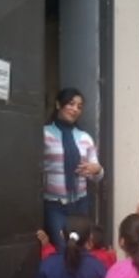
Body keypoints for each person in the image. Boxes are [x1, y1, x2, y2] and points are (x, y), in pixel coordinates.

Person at [43, 87, 104, 250]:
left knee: (81, 248)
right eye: (71, 104)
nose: (75, 109)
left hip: (80, 203)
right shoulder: (44, 134)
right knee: (64, 248)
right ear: (58, 105)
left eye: (79, 106)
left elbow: (96, 175)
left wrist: (97, 170)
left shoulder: (85, 138)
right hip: (55, 205)